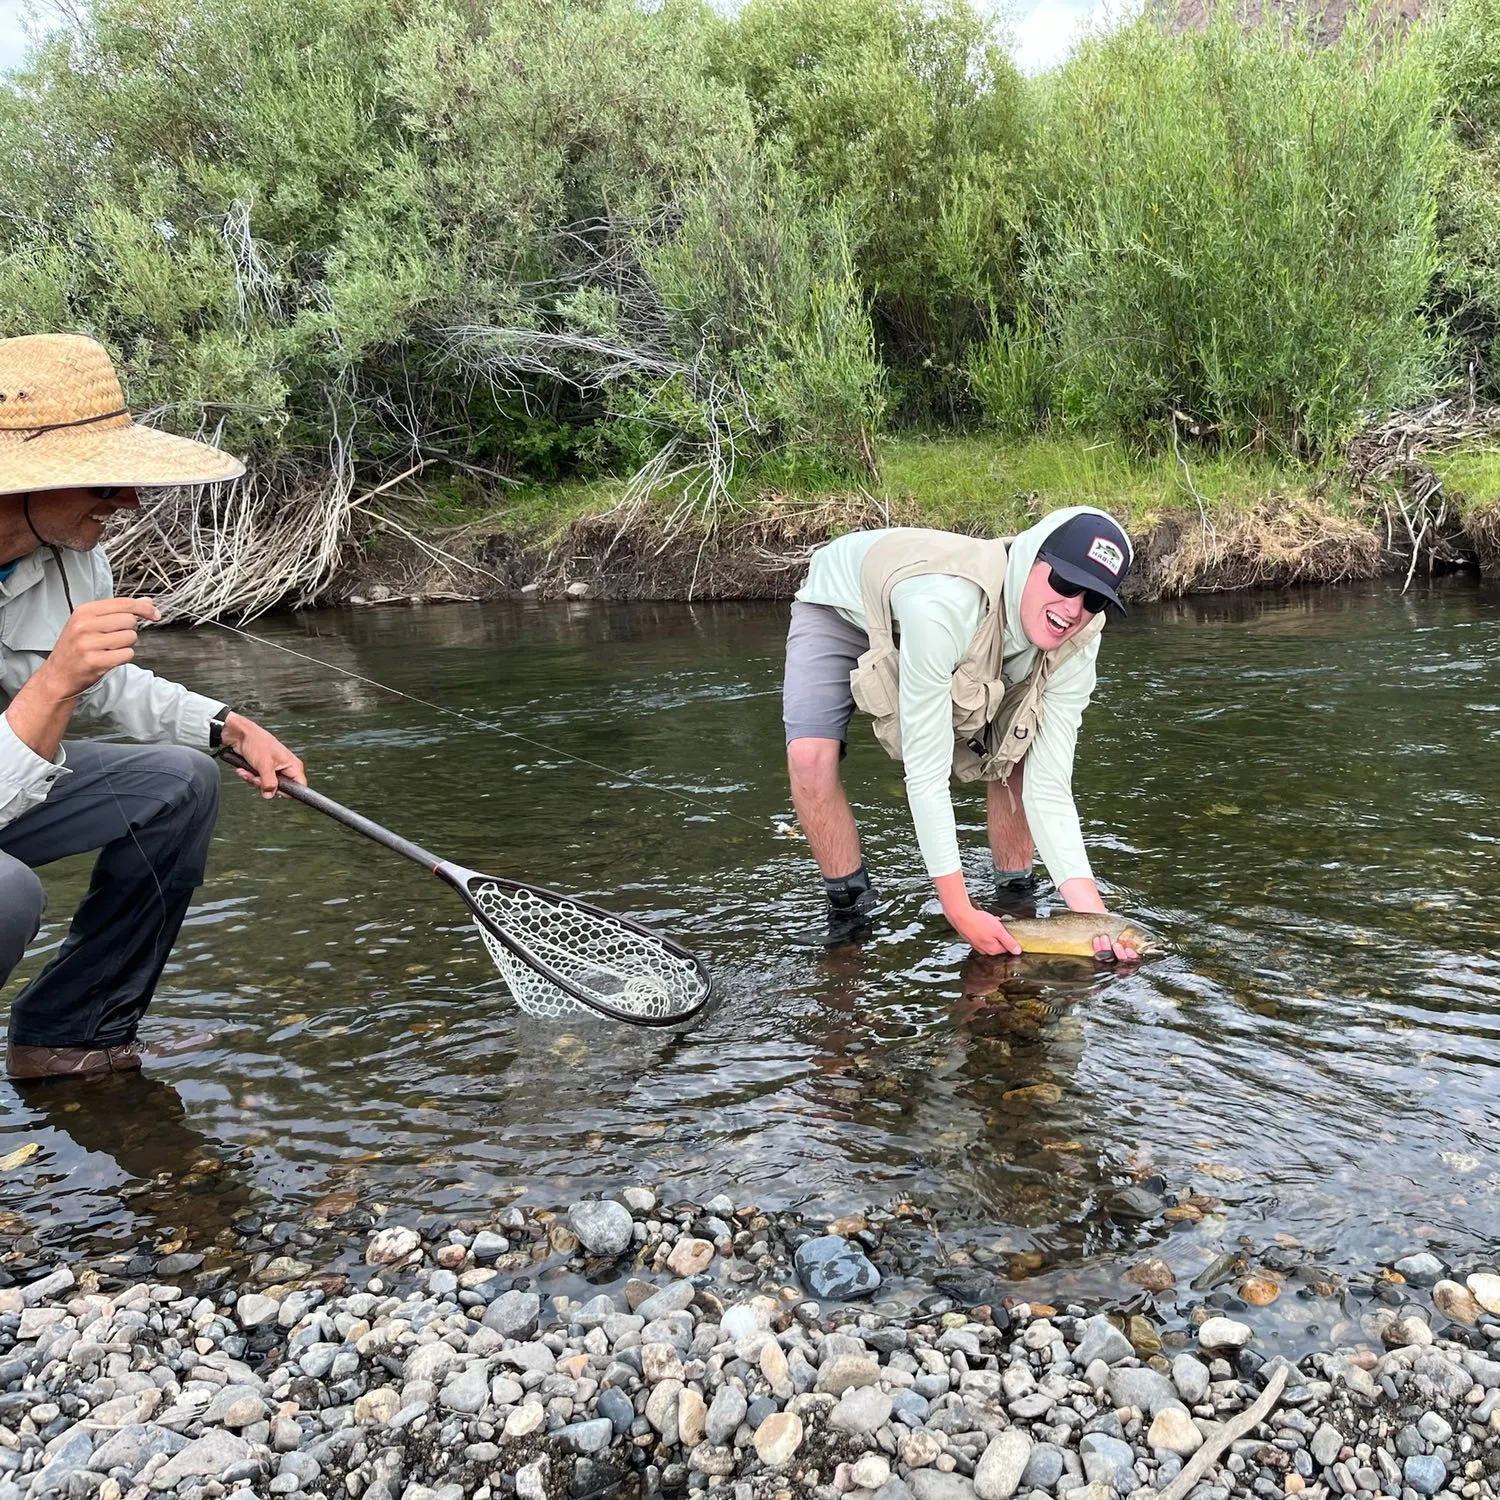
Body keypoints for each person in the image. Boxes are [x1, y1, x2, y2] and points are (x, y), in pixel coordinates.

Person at [0, 333, 305, 1081]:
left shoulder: (72, 553)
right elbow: (57, 682)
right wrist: (52, 687)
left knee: (178, 783)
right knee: (7, 892)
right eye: (104, 482)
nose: (129, 501)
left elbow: (96, 680)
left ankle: (73, 1038)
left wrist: (226, 727)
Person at [783, 506, 1139, 960]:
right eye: (1065, 583)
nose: (1073, 609)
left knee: (1019, 750)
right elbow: (926, 772)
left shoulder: (1080, 640)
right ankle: (851, 912)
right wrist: (958, 907)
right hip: (843, 604)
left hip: (941, 607)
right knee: (811, 759)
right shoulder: (943, 605)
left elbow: (1048, 787)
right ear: (1029, 559)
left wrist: (1094, 920)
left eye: (1093, 599)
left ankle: (1014, 897)